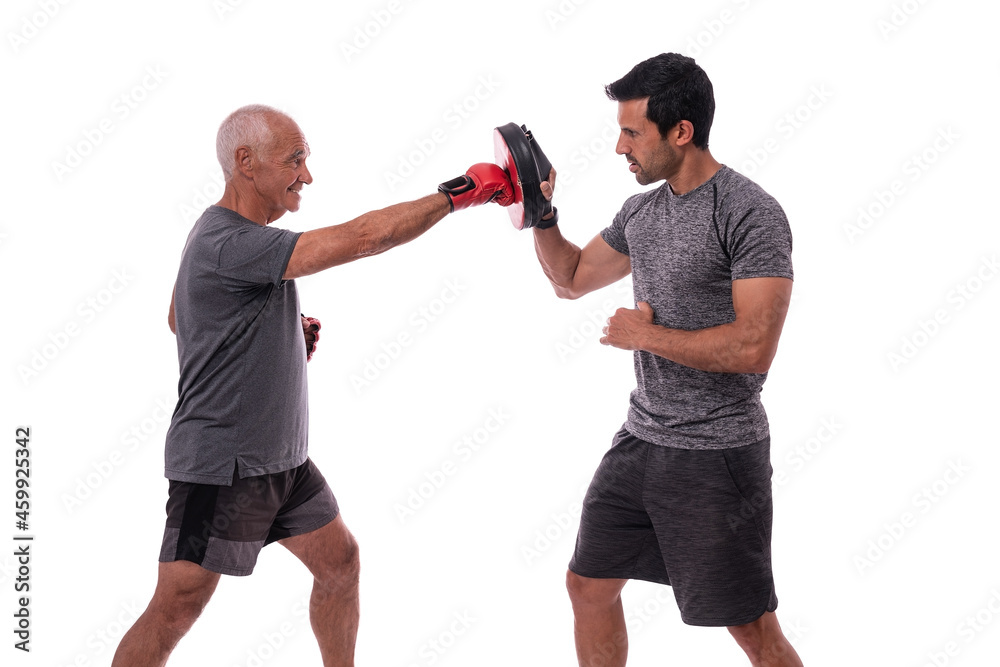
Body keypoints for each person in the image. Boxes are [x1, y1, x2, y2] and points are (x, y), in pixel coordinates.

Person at [112, 104, 512, 667]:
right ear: (245, 163)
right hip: (224, 465)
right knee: (176, 607)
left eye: (307, 158)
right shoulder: (228, 242)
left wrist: (272, 341)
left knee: (340, 563)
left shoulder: (222, 233)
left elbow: (180, 317)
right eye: (294, 159)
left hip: (283, 462)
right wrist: (462, 192)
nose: (307, 174)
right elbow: (367, 237)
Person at [531, 54, 803, 666]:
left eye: (632, 133)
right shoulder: (642, 212)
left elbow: (755, 346)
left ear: (681, 131)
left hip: (716, 453)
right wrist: (542, 213)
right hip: (641, 440)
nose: (619, 147)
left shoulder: (749, 212)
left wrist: (647, 337)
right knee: (588, 587)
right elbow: (570, 277)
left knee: (752, 629)